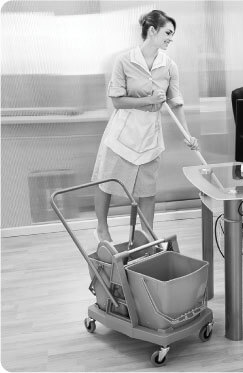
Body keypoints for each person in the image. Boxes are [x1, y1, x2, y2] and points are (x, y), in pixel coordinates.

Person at [92, 9, 198, 243]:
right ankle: (101, 228)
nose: (171, 38)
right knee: (107, 181)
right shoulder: (124, 61)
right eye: (168, 32)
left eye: (173, 34)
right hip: (122, 134)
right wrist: (149, 101)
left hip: (149, 137)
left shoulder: (169, 66)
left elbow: (176, 103)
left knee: (147, 191)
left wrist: (187, 135)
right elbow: (117, 100)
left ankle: (149, 236)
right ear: (152, 30)